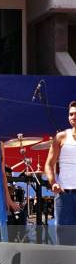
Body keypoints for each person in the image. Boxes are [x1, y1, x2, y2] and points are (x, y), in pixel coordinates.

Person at [44, 101, 76, 245]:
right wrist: (53, 183)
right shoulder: (61, 137)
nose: (73, 116)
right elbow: (49, 164)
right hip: (65, 195)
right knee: (64, 241)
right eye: (71, 114)